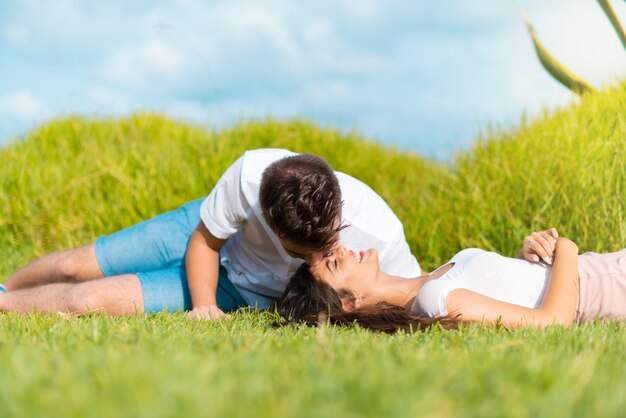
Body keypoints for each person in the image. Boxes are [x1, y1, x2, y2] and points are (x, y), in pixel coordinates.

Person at [0, 149, 421, 319]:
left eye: (327, 245)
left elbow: (410, 292)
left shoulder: (379, 231)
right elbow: (205, 241)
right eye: (305, 253)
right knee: (76, 267)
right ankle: (6, 286)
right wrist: (202, 305)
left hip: (239, 291)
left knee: (88, 300)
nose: (318, 263)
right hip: (203, 234)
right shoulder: (249, 178)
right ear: (268, 221)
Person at [279, 228, 626, 331]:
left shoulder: (432, 279)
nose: (337, 249)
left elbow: (515, 291)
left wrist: (532, 254)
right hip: (610, 287)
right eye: (332, 264)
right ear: (348, 303)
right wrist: (565, 248)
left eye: (329, 253)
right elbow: (552, 322)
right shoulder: (434, 299)